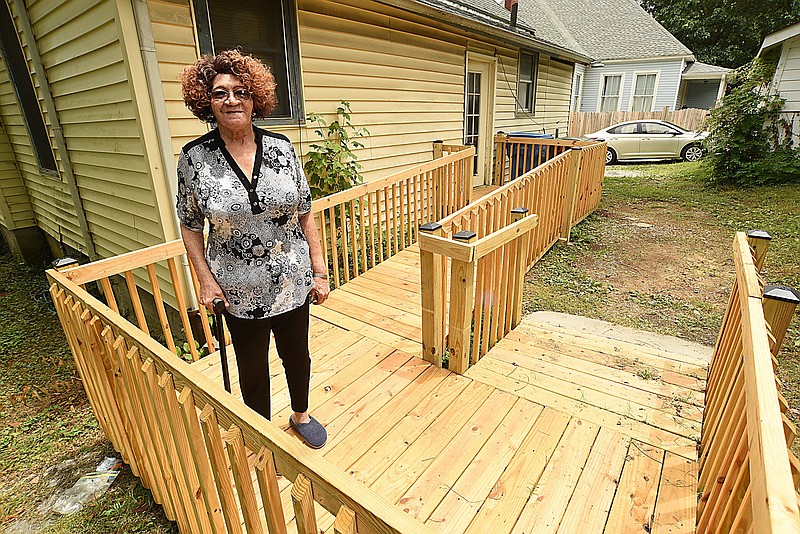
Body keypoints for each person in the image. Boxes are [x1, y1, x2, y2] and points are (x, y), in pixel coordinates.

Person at [176, 49, 329, 449]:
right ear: (205, 102)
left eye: (240, 91)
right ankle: (261, 435)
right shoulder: (195, 159)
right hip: (237, 289)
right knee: (252, 365)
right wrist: (206, 283)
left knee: (297, 354)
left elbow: (306, 214)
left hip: (292, 280)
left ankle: (300, 414)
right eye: (219, 92)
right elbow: (190, 227)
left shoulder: (281, 148)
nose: (231, 100)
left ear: (254, 98)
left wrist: (320, 271)